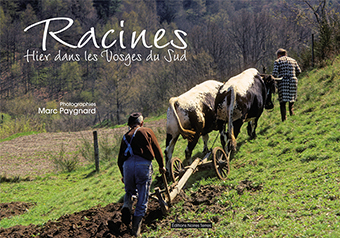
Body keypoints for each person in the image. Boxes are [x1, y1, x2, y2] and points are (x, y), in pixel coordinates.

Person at [117, 112, 166, 237]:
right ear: (141, 123)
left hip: (127, 166)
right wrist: (161, 166)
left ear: (129, 125)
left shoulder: (125, 136)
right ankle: (136, 230)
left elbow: (119, 160)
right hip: (142, 166)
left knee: (129, 191)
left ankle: (127, 205)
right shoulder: (147, 131)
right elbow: (157, 150)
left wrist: (123, 174)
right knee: (142, 197)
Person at [272, 48, 302, 122]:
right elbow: (299, 71)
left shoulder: (278, 61)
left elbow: (275, 74)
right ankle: (292, 113)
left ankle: (284, 118)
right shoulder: (293, 60)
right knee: (292, 98)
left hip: (283, 81)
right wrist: (293, 76)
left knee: (282, 102)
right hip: (293, 80)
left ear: (278, 55)